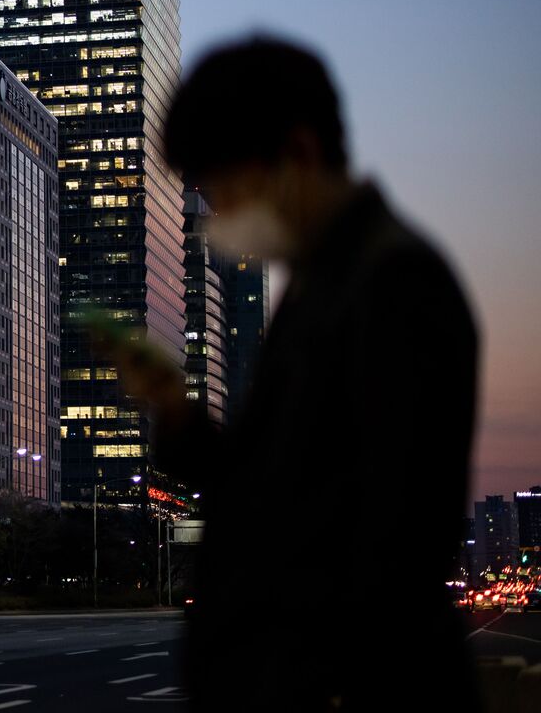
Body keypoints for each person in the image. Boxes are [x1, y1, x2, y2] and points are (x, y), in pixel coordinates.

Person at [102, 36, 480, 711]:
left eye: (227, 188)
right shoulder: (323, 283)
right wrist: (177, 414)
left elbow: (396, 545)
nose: (219, 214)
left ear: (298, 155)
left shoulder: (394, 284)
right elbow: (275, 483)